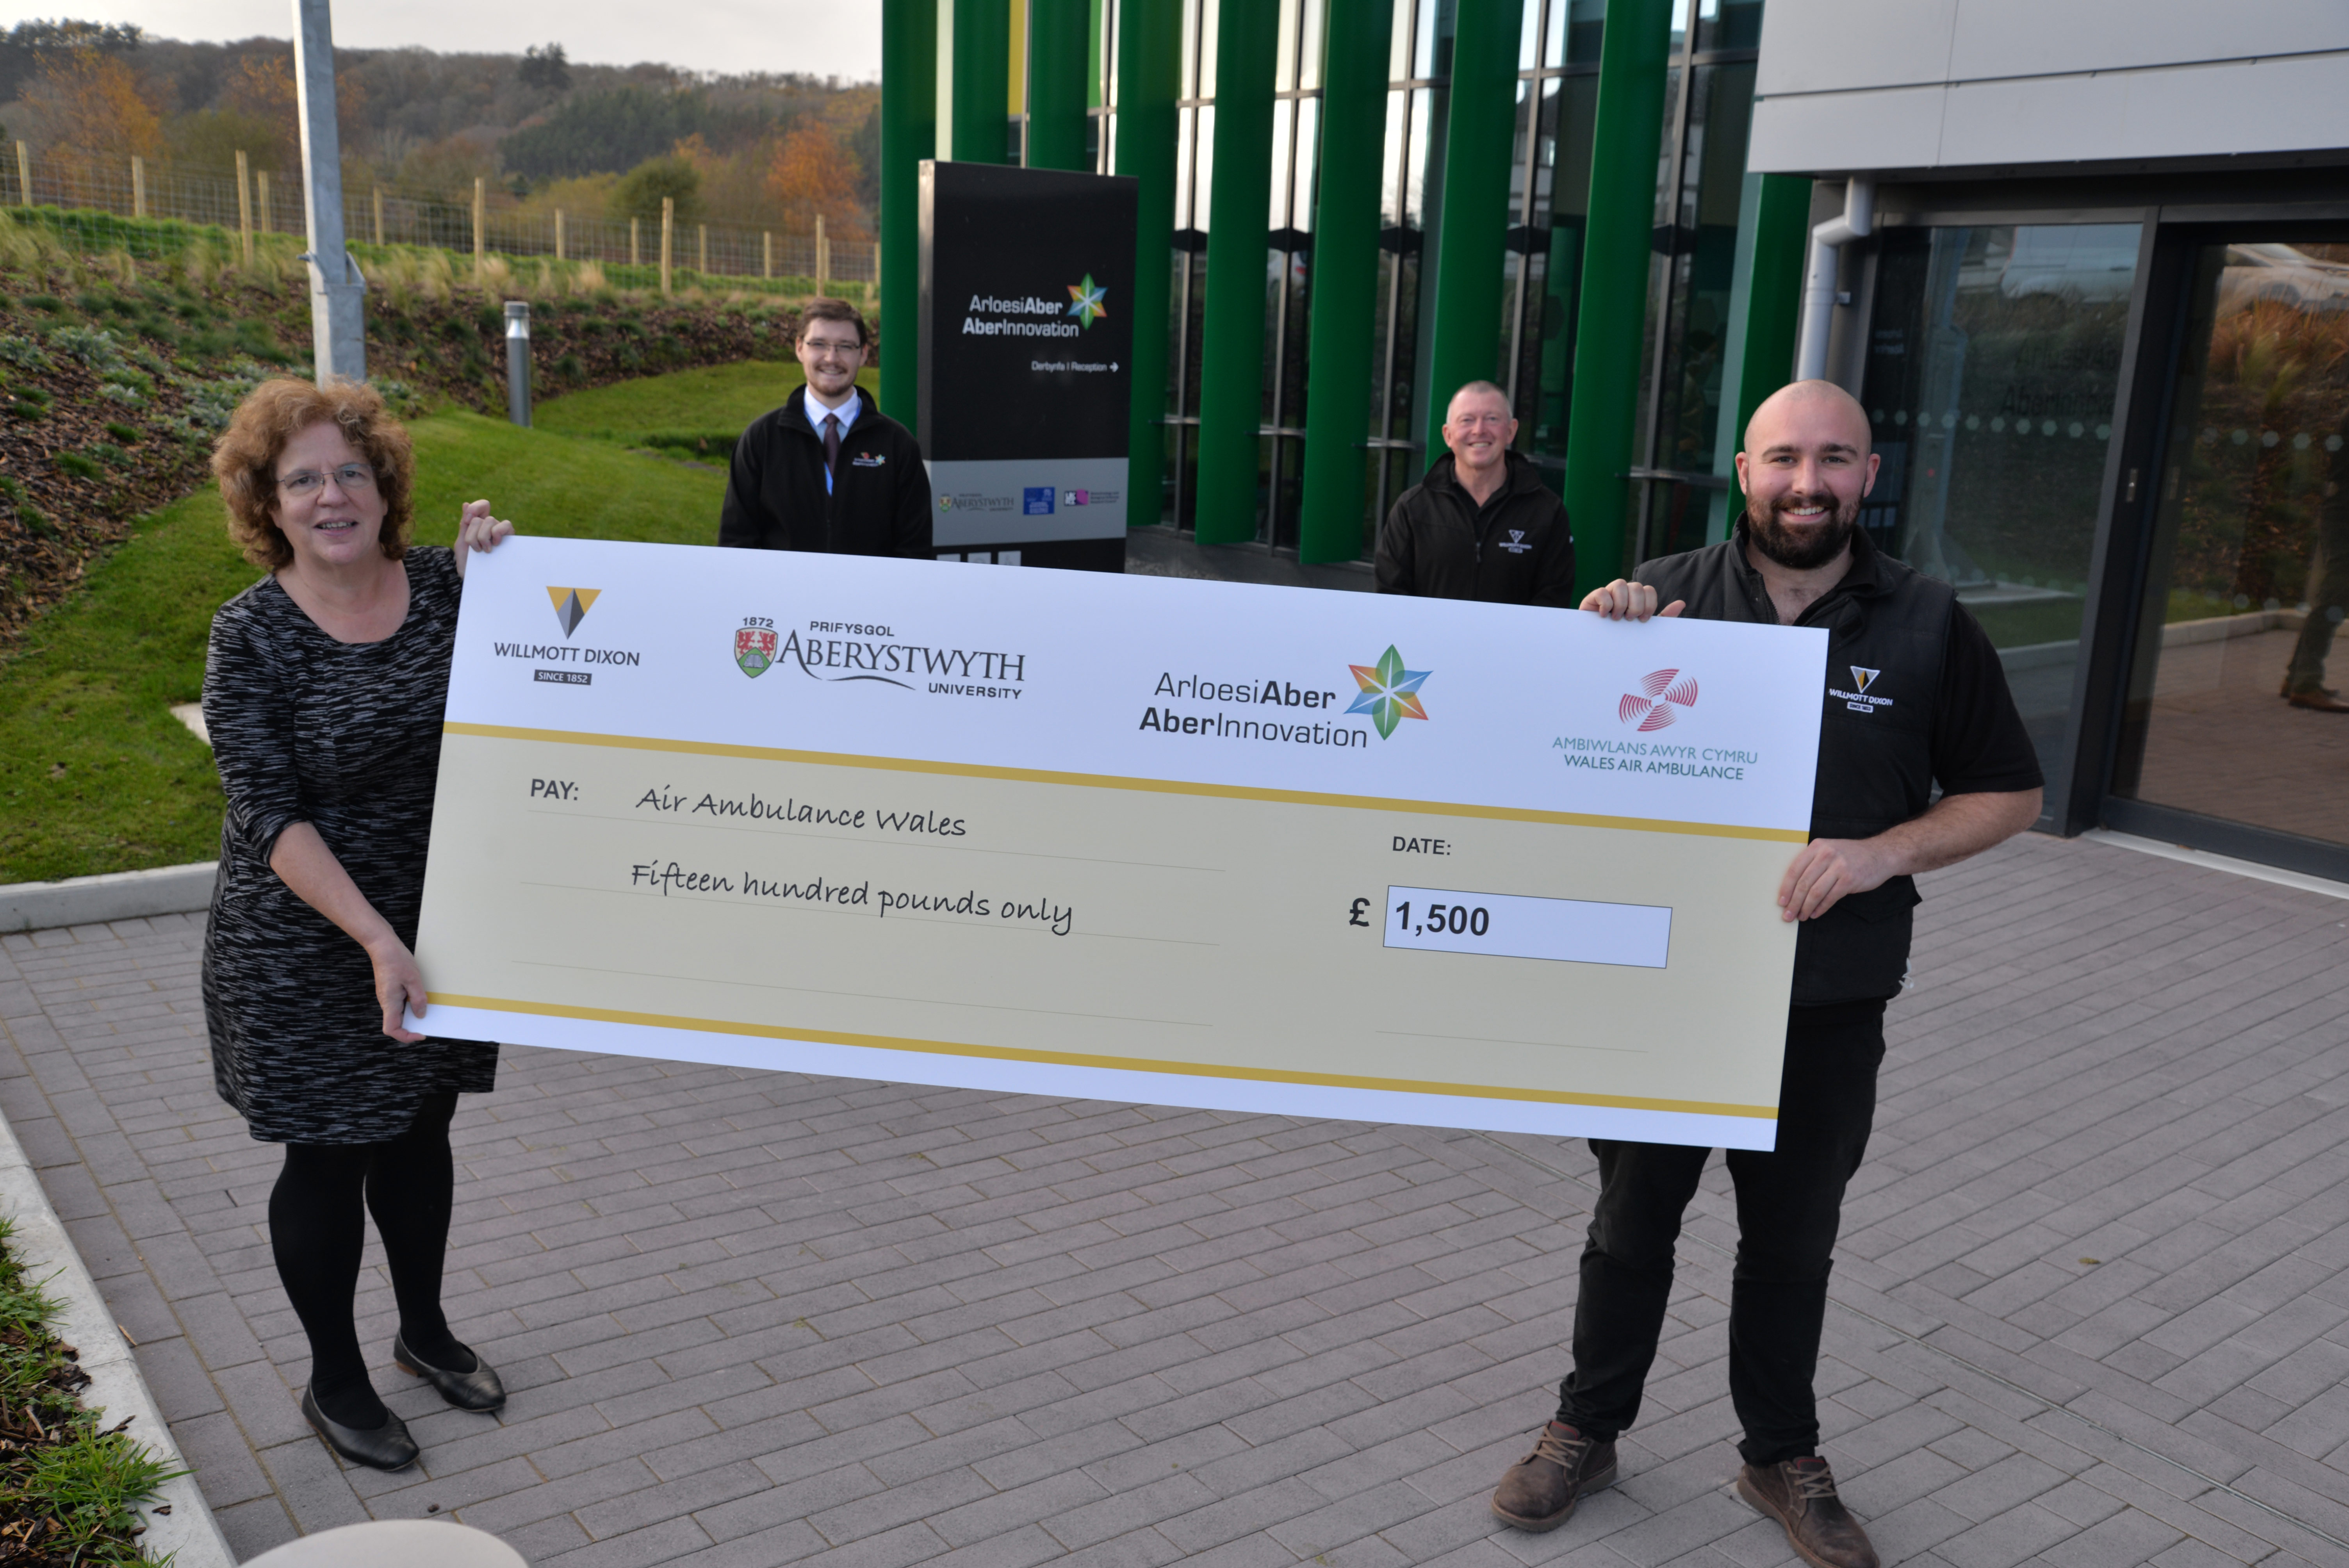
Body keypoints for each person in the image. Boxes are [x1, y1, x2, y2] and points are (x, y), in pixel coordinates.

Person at [1488, 380, 2044, 1568]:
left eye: (1832, 459)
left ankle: (1775, 1452)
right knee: (1630, 1222)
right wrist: (1587, 642)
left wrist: (1879, 851)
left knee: (1792, 1240)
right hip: (1668, 988)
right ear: (1740, 470)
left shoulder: (1930, 621)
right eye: (1784, 457)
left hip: (1829, 998)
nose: (1807, 481)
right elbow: (1552, 757)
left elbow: (2011, 790)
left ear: (1868, 474)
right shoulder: (1662, 598)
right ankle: (1587, 1425)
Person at [203, 379, 515, 1473]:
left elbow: (556, 679)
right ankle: (334, 1376)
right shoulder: (247, 635)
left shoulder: (452, 588)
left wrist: (510, 570)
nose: (331, 495)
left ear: (384, 486)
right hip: (308, 934)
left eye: (350, 471)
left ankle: (423, 1333)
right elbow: (268, 809)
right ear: (268, 505)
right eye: (302, 480)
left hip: (443, 919)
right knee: (330, 1156)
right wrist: (378, 940)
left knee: (421, 1135)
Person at [718, 297, 930, 554]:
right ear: (799, 348)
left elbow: (915, 549)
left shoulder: (897, 444)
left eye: (845, 347)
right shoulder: (761, 440)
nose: (832, 358)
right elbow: (737, 543)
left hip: (871, 595)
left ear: (863, 354)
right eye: (819, 344)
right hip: (784, 594)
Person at [1376, 380, 1575, 605]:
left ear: (1511, 431)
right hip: (1433, 640)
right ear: (1448, 434)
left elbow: (1553, 599)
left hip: (1513, 641)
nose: (1479, 430)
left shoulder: (1547, 511)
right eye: (1467, 420)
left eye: (1492, 419)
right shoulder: (1412, 509)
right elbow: (1391, 596)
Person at [2280, 404, 2349, 712]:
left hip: (2341, 511)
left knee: (2332, 599)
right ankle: (2305, 684)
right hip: (2345, 515)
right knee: (2334, 598)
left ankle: (2297, 678)